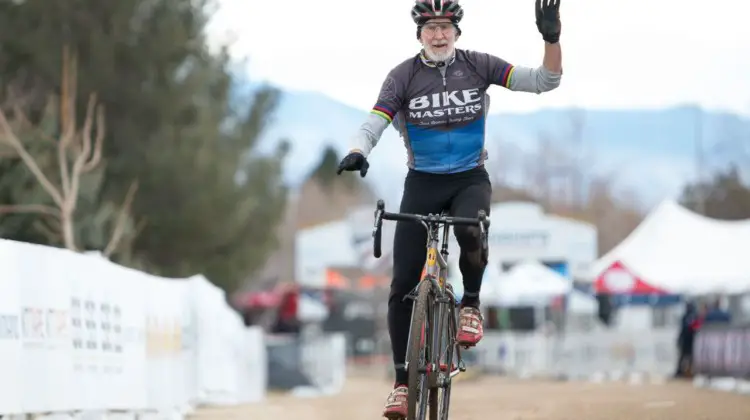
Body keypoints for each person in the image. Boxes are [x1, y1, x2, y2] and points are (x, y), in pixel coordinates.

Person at [336, 1, 563, 417]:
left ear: (457, 31)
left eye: (445, 27)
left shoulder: (478, 66)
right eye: (430, 28)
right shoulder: (402, 76)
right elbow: (375, 121)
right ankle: (402, 385)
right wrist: (357, 150)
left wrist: (551, 39)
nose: (438, 35)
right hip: (421, 182)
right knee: (402, 280)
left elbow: (546, 81)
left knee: (471, 230)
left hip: (468, 178)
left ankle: (470, 304)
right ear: (418, 33)